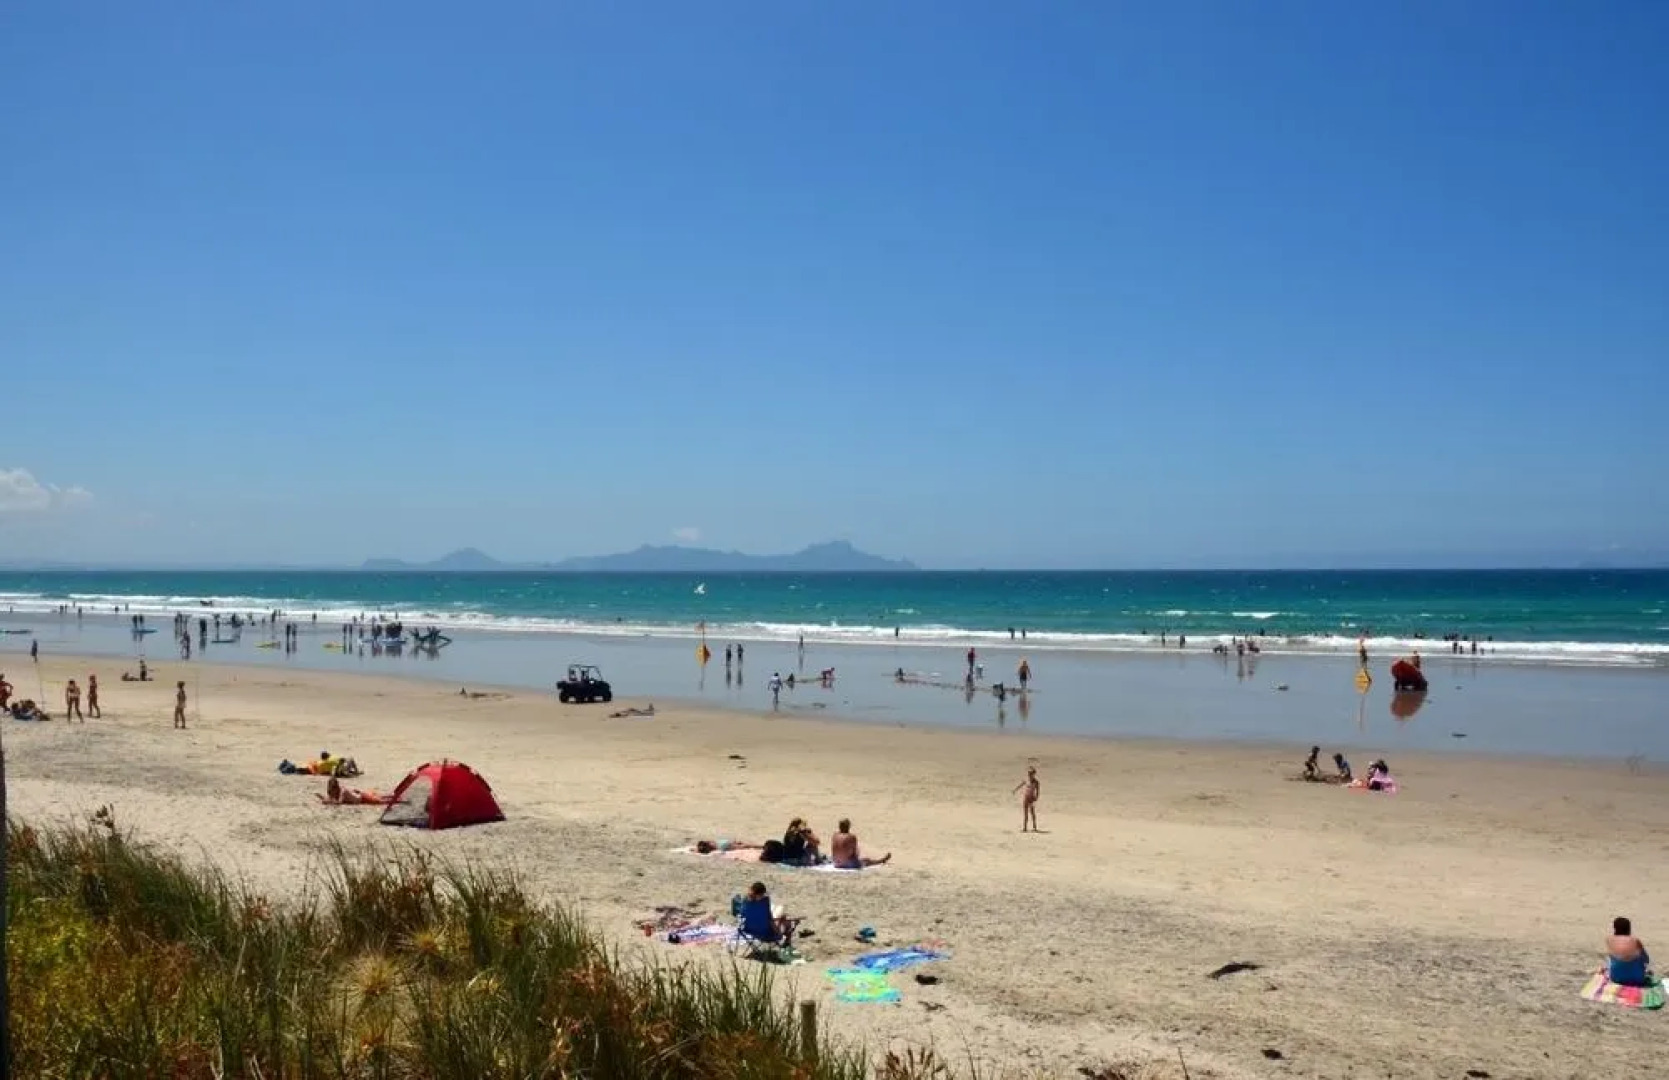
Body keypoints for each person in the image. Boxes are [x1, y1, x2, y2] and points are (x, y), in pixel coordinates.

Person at [737, 881, 798, 945]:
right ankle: (787, 943)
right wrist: (779, 933)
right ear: (760, 894)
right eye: (763, 894)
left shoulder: (745, 901)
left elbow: (742, 916)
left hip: (748, 931)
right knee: (786, 920)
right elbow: (770, 921)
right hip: (765, 934)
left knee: (777, 914)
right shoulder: (764, 901)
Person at [1607, 917, 1651, 987]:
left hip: (1615, 978)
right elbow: (1647, 960)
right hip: (1637, 979)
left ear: (1615, 928)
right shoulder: (1635, 940)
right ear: (1629, 928)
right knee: (1639, 959)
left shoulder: (1609, 940)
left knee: (1610, 958)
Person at [1014, 765, 1040, 832]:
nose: (1030, 775)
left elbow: (1037, 792)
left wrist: (1035, 799)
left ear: (1034, 774)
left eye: (1031, 774)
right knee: (1025, 813)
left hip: (1031, 798)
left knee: (1032, 813)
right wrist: (1015, 790)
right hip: (1026, 797)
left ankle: (1034, 827)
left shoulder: (1036, 782)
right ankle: (1025, 828)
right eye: (1029, 774)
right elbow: (1021, 785)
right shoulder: (1026, 780)